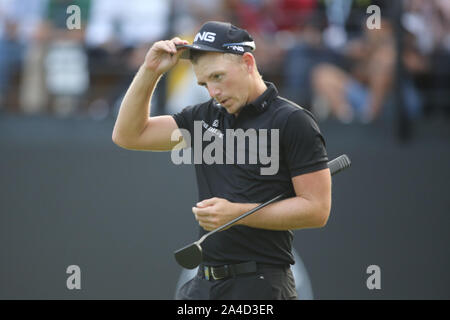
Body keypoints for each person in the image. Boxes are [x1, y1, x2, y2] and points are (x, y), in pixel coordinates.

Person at [112, 21, 331, 300]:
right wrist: (150, 72)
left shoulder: (293, 121)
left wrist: (237, 213)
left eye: (218, 77)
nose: (213, 92)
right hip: (204, 284)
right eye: (204, 83)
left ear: (247, 63)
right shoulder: (203, 117)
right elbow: (128, 135)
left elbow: (317, 210)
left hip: (263, 286)